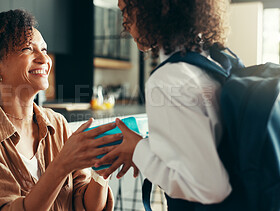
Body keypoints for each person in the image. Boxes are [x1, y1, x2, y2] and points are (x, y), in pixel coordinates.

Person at [0, 9, 120, 211]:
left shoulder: (57, 124)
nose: (44, 59)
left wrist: (102, 170)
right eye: (27, 49)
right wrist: (62, 164)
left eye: (45, 50)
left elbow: (85, 205)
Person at [96, 0, 233, 207]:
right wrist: (148, 148)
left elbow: (209, 188)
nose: (124, 22)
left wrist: (138, 149)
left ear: (151, 8)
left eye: (126, 10)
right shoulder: (210, 64)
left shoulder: (169, 79)